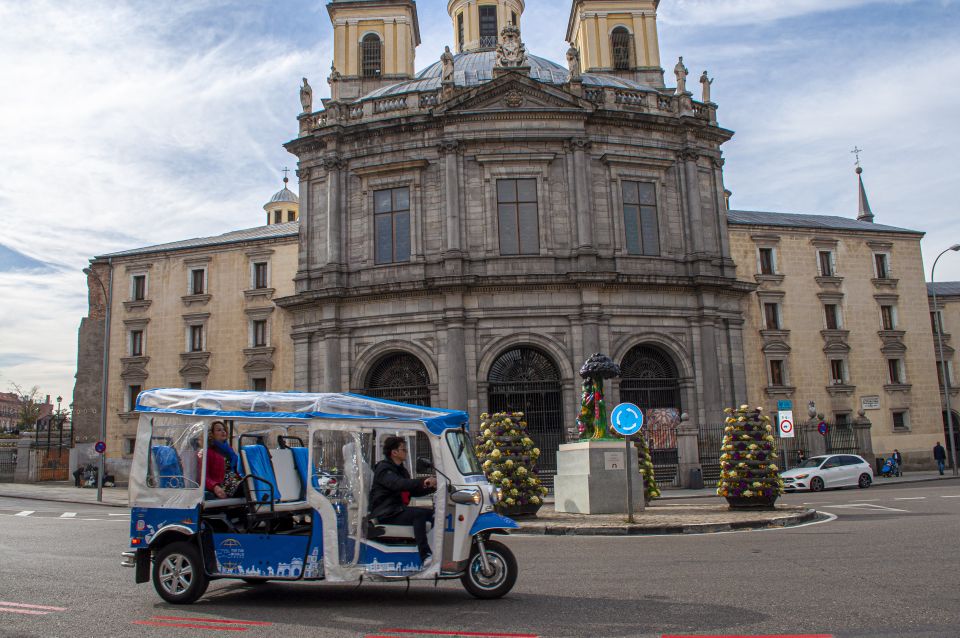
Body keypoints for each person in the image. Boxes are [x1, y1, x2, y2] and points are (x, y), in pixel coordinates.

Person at [369, 436, 437, 562]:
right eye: (404, 450)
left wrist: (432, 487)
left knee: (436, 514)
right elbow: (399, 484)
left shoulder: (401, 470)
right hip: (386, 512)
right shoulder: (384, 469)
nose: (406, 452)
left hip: (397, 510)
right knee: (419, 514)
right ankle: (425, 555)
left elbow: (412, 490)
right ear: (394, 452)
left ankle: (436, 550)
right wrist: (423, 481)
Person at [204, 421, 242, 499]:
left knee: (253, 483)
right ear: (212, 434)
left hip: (235, 480)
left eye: (224, 429)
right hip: (223, 484)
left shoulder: (229, 449)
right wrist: (215, 487)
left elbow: (236, 469)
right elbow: (204, 476)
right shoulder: (208, 452)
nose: (223, 431)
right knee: (247, 488)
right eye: (219, 430)